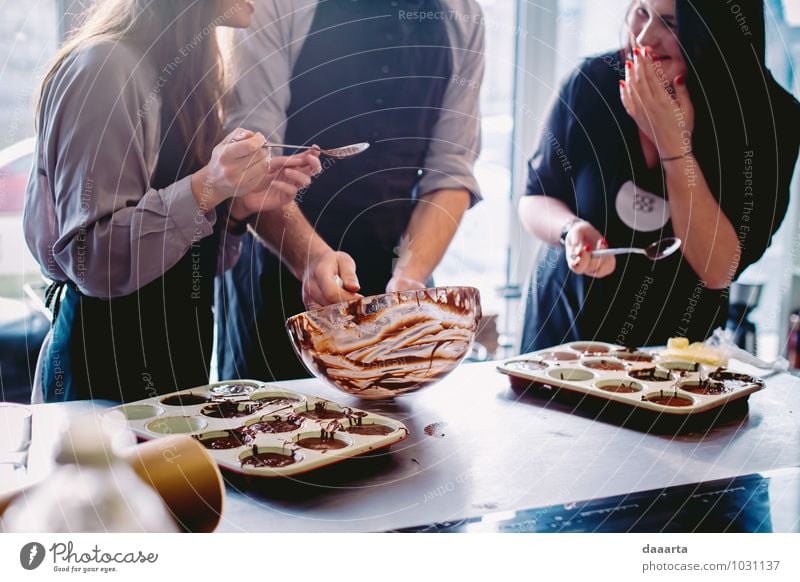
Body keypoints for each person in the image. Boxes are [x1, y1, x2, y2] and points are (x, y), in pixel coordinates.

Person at [24, 0, 321, 402]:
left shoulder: (189, 78)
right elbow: (90, 261)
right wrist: (207, 187)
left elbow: (181, 266)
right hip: (102, 373)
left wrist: (234, 211)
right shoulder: (104, 66)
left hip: (179, 365)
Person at [217, 0, 484, 381]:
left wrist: (410, 279)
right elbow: (252, 164)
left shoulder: (464, 14)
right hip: (278, 272)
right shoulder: (275, 5)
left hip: (399, 277)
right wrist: (311, 260)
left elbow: (451, 171)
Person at [518, 0, 800, 351]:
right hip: (560, 339)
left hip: (671, 369)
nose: (646, 36)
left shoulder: (769, 121)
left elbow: (716, 268)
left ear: (716, 34)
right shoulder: (593, 81)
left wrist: (673, 142)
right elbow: (534, 197)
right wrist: (570, 230)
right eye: (641, 11)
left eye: (671, 23)